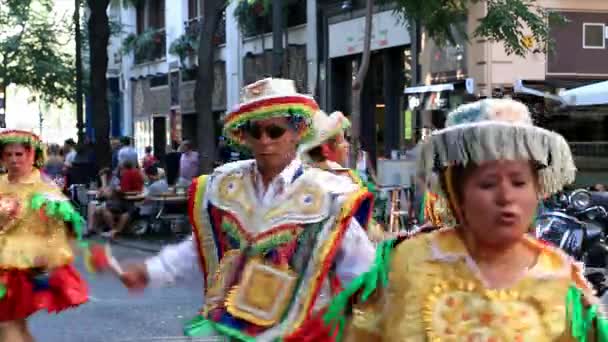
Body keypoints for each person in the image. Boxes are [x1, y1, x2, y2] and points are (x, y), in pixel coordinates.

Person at [322, 99, 607, 341]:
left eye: (519, 182)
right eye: (487, 183)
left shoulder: (561, 281)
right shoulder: (404, 264)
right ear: (455, 190)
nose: (506, 197)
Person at [119, 78, 376, 340]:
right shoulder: (224, 186)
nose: (265, 141)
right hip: (231, 329)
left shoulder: (328, 194)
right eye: (256, 132)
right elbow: (200, 247)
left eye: (275, 131)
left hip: (301, 331)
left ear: (297, 132)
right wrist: (152, 271)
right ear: (244, 136)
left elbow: (362, 272)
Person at [0, 130, 88, 341]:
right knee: (15, 324)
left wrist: (48, 259)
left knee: (6, 324)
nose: (13, 159)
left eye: (19, 154)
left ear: (31, 156)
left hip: (22, 268)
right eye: (8, 154)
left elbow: (59, 229)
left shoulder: (44, 189)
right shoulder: (1, 183)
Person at [298, 110, 387, 241]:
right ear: (326, 149)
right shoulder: (329, 184)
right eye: (342, 141)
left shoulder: (342, 175)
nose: (346, 145)